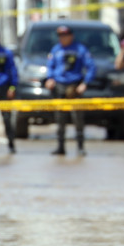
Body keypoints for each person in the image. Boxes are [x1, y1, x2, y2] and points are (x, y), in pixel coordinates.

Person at [44, 25, 96, 156]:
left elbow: (91, 67)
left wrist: (85, 83)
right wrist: (50, 79)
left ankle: (80, 147)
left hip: (74, 86)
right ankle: (60, 147)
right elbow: (50, 67)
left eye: (65, 35)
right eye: (60, 36)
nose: (62, 38)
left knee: (77, 118)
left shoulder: (80, 49)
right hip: (59, 86)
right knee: (60, 119)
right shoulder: (56, 50)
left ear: (71, 36)